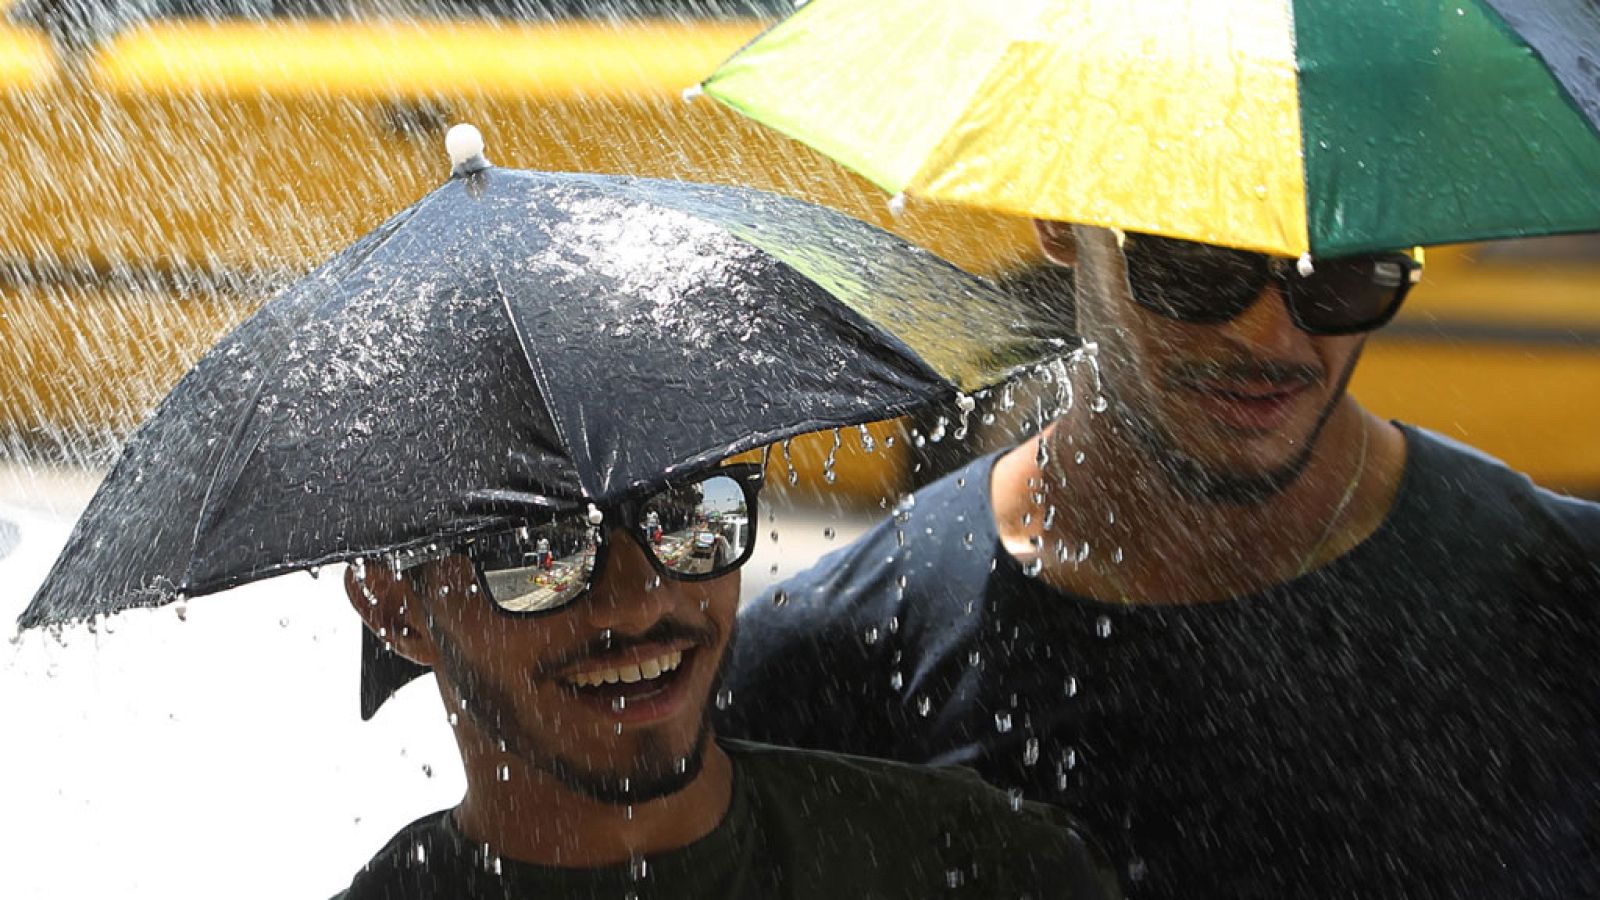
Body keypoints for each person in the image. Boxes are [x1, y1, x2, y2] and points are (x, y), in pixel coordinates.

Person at [718, 223, 1600, 898]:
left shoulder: (1566, 598)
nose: (1271, 338)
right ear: (1060, 222)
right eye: (1195, 261)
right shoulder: (838, 655)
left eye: (1343, 270)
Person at [334, 457, 1121, 899]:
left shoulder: (984, 871)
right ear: (393, 605)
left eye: (688, 514)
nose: (642, 601)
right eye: (543, 549)